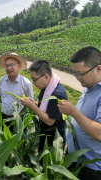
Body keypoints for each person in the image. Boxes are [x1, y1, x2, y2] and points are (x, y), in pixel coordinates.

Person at [57, 46, 101, 180]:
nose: (77, 78)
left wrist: (73, 112)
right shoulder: (89, 87)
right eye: (75, 73)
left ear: (99, 69)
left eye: (81, 74)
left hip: (92, 166)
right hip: (77, 160)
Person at [21, 60, 67, 153]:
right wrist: (34, 102)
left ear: (46, 76)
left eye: (34, 79)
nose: (34, 83)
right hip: (45, 134)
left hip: (53, 140)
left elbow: (50, 121)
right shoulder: (47, 86)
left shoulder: (57, 94)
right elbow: (45, 105)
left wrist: (32, 107)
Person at [0, 53, 34, 121]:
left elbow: (31, 102)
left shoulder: (26, 83)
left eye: (11, 65)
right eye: (7, 65)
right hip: (3, 117)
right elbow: (0, 96)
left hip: (18, 120)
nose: (9, 68)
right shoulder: (2, 80)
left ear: (18, 66)